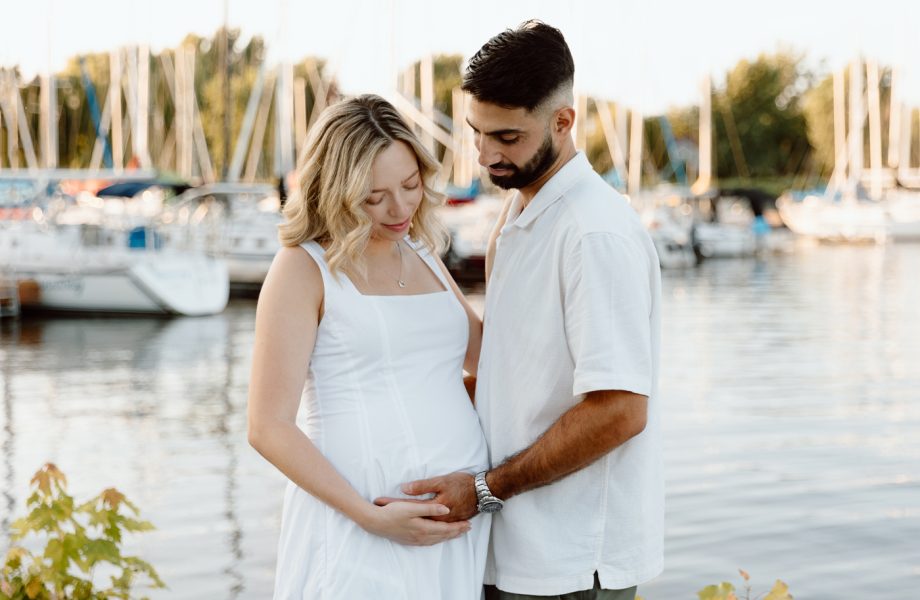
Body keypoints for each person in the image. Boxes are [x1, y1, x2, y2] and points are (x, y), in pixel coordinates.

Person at [382, 21, 664, 599]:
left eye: (506, 137)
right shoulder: (518, 216)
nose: (485, 154)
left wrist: (484, 488)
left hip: (572, 564)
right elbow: (515, 373)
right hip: (512, 550)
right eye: (476, 132)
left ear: (564, 121)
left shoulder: (594, 232)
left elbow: (620, 410)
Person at [247, 94, 490, 599]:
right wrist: (368, 518)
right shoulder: (302, 268)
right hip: (358, 524)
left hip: (453, 528)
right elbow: (267, 427)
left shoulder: (421, 251)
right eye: (374, 196)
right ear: (335, 191)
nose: (400, 208)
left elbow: (485, 358)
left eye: (409, 185)